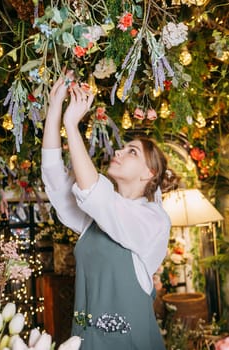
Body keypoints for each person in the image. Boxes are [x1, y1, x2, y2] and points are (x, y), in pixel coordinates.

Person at [41, 70, 179, 350]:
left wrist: (72, 123)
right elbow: (55, 176)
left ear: (148, 174)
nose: (117, 152)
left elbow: (97, 195)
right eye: (123, 148)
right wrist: (55, 109)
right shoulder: (96, 217)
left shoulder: (153, 222)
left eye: (132, 152)